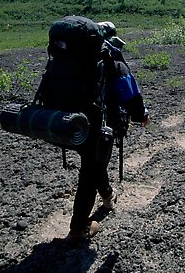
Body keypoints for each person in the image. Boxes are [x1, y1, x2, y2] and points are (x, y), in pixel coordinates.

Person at [64, 20, 150, 246]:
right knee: (90, 172)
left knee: (93, 163)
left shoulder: (76, 56)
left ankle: (108, 196)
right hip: (100, 125)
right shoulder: (110, 58)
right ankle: (78, 229)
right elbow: (130, 94)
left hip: (74, 123)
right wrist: (142, 116)